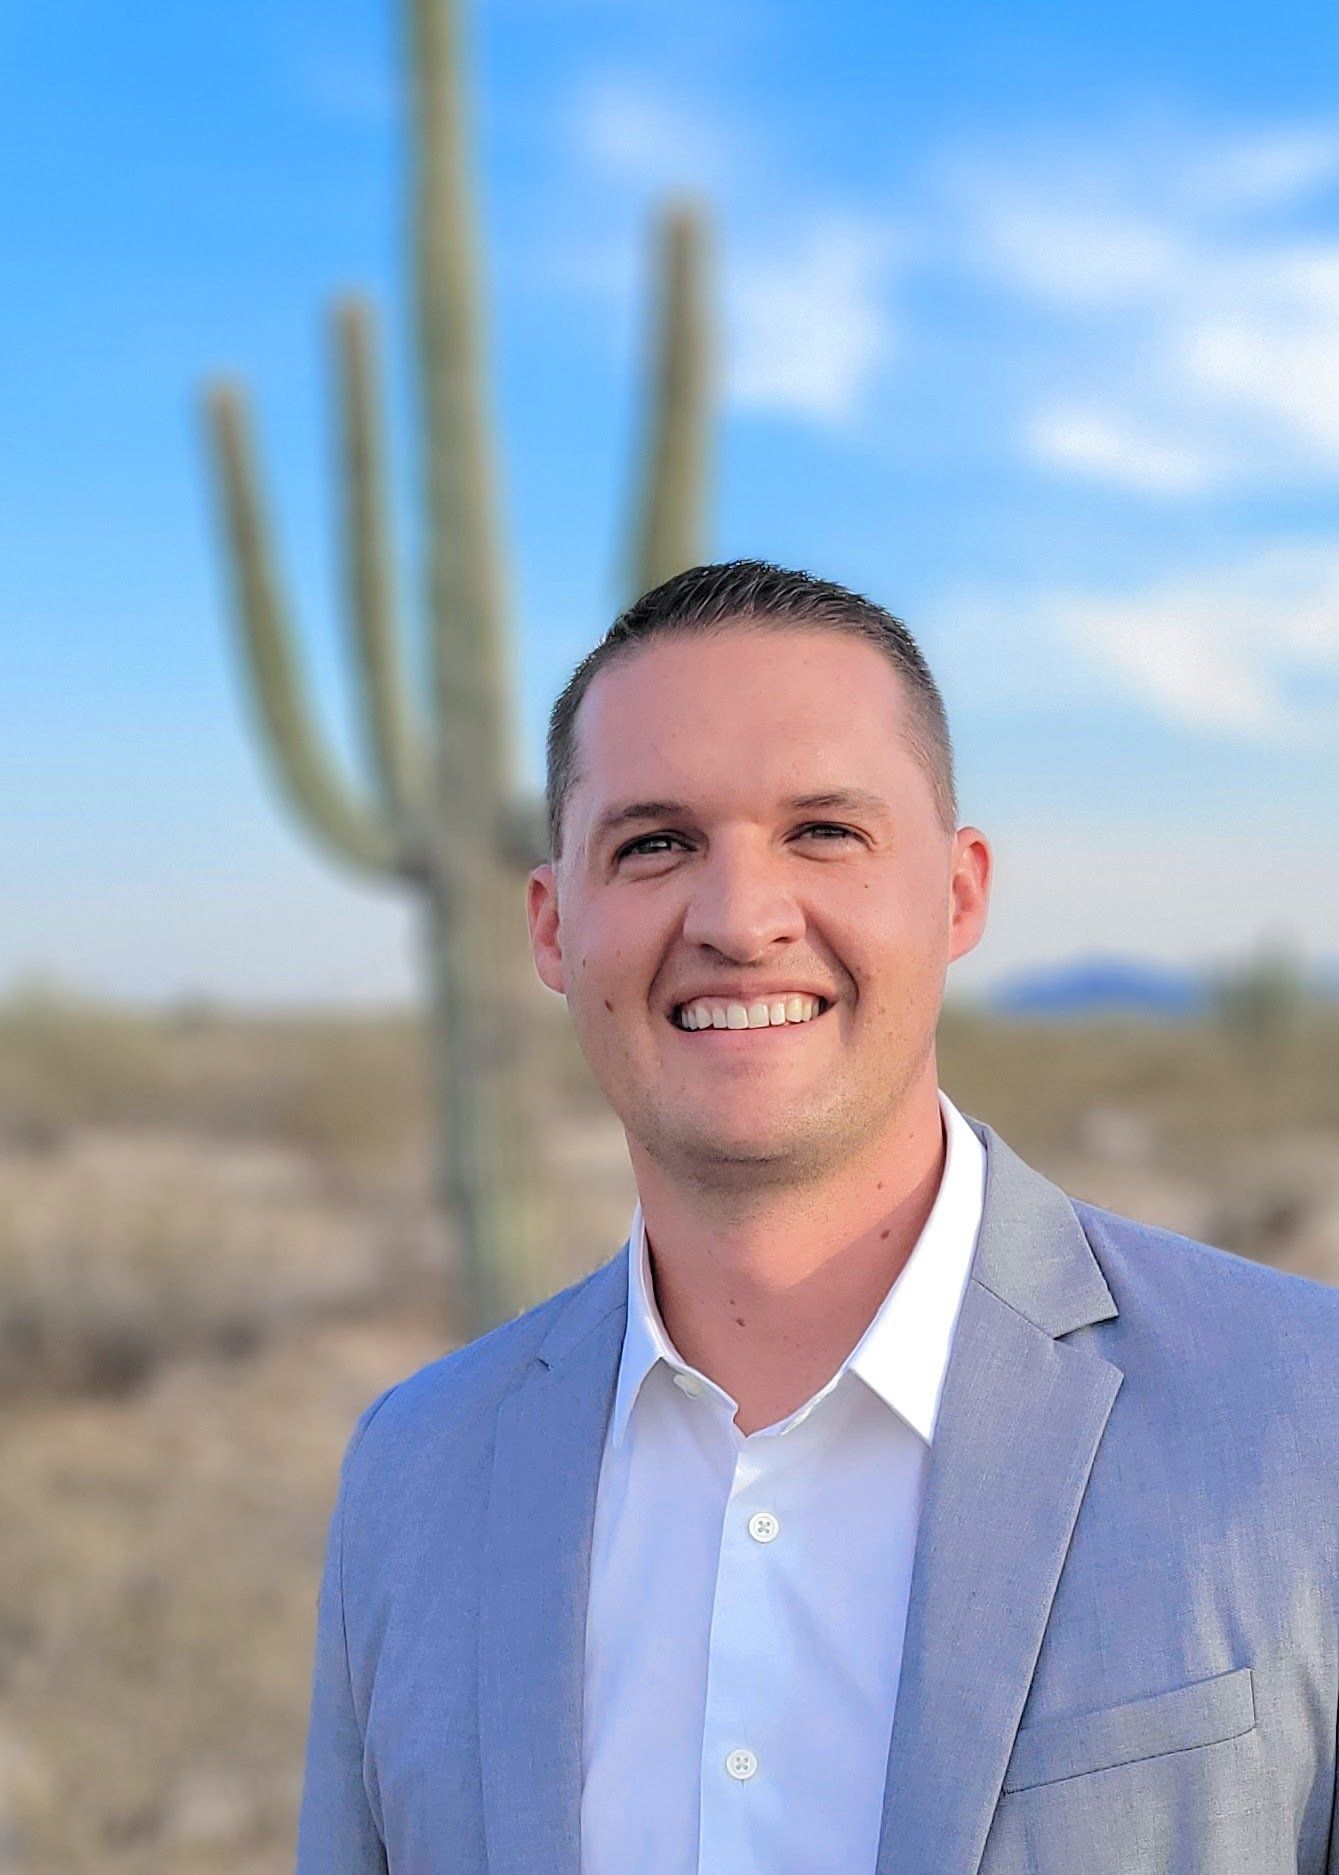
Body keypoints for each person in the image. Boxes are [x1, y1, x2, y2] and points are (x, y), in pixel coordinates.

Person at [295, 559, 1339, 1875]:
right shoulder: (415, 1474)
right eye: (656, 843)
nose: (740, 919)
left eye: (824, 833)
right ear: (554, 929)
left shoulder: (1310, 1417)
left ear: (958, 895)